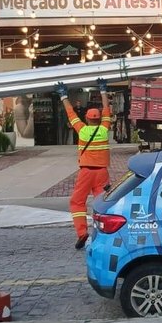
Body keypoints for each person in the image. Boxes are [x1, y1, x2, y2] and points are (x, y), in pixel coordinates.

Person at [56, 78, 112, 249]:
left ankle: (82, 233)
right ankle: (104, 234)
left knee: (77, 202)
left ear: (87, 119)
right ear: (99, 118)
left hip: (86, 172)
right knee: (102, 203)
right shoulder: (104, 129)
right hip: (102, 173)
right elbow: (107, 110)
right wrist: (103, 90)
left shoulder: (82, 129)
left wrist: (63, 95)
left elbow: (71, 113)